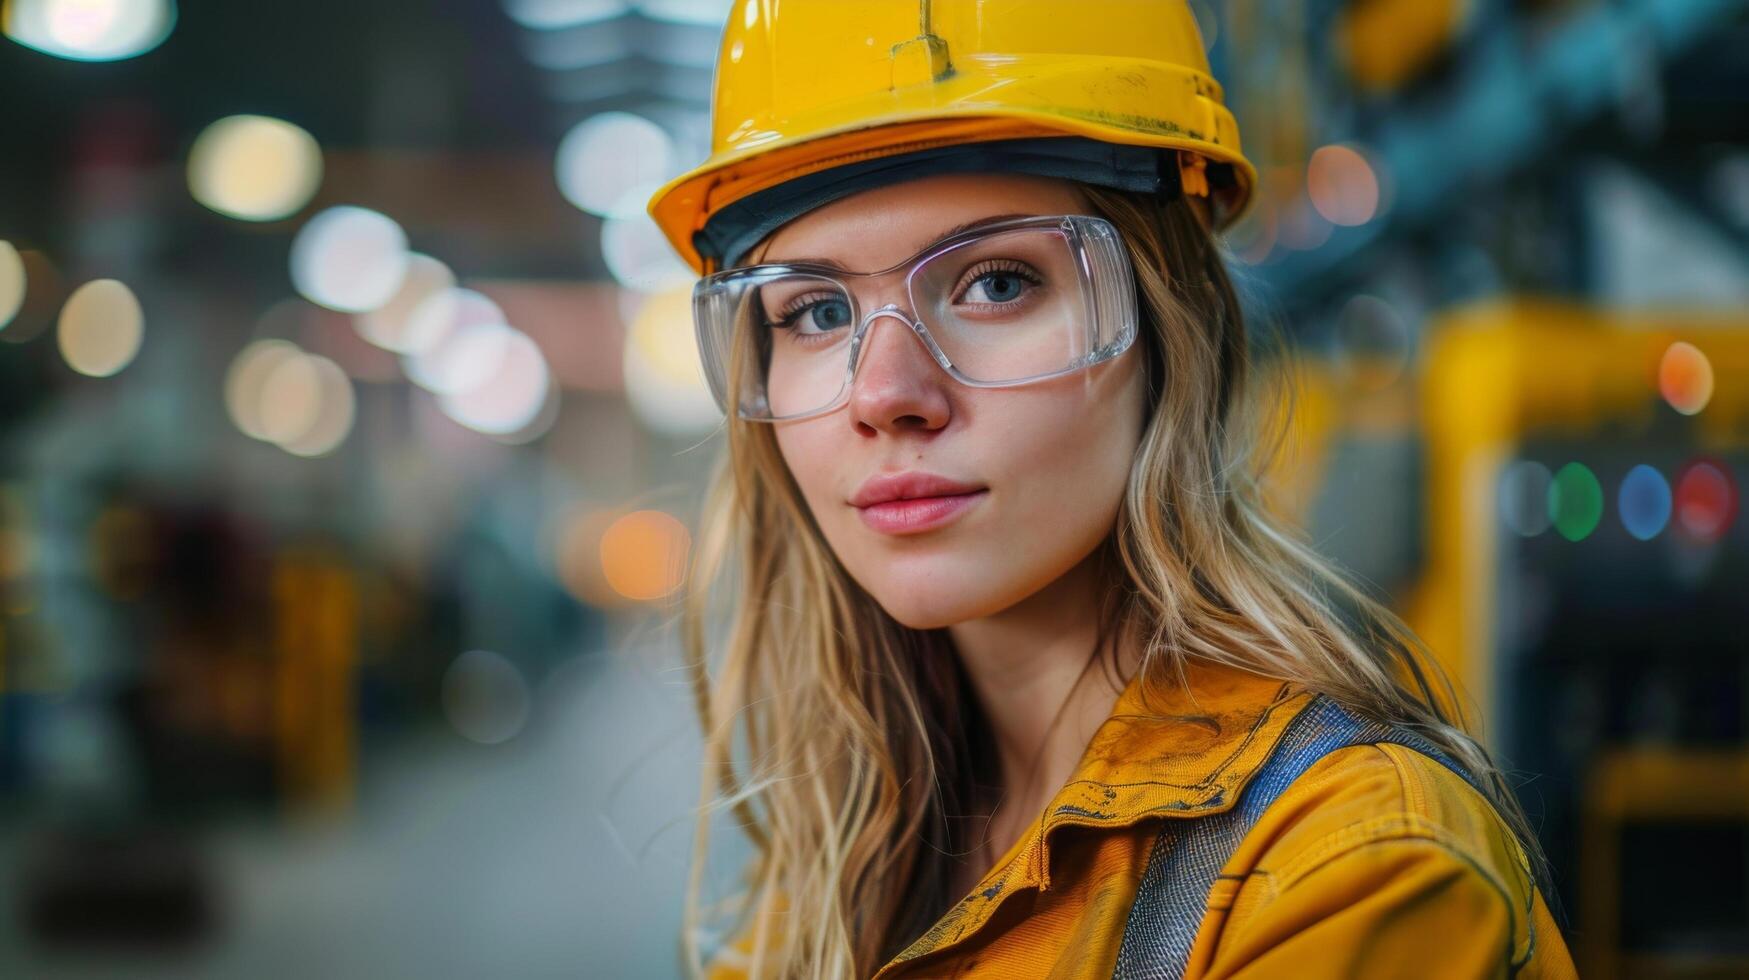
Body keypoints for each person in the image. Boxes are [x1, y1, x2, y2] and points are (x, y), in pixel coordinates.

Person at [647, 3, 1578, 977]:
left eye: (996, 283)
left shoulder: (1349, 870)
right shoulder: (839, 869)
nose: (885, 395)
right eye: (816, 309)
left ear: (1168, 325)